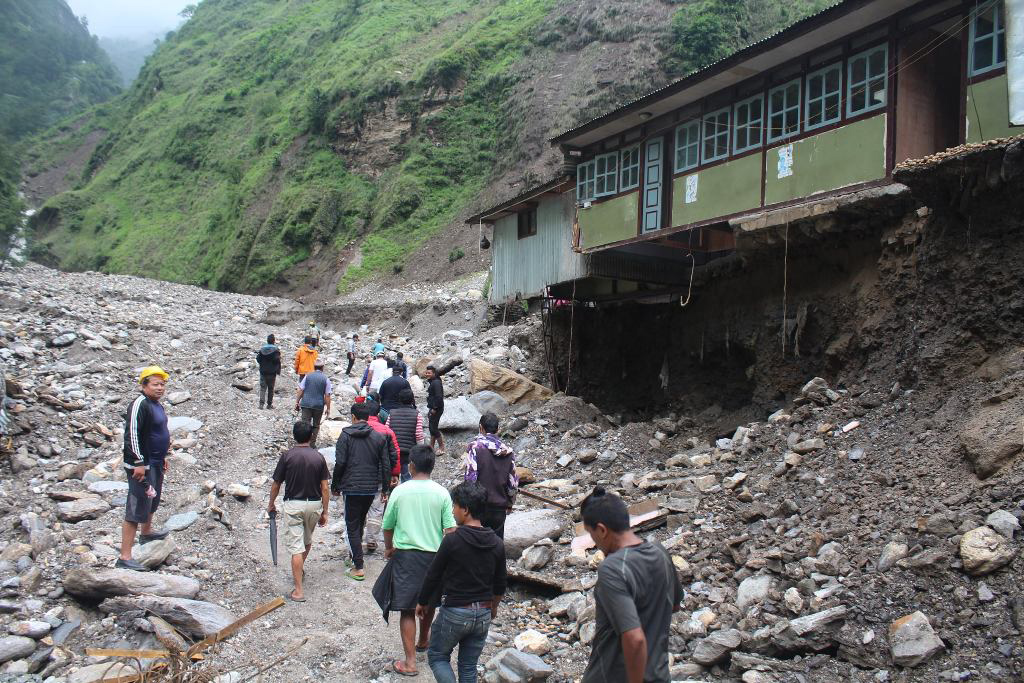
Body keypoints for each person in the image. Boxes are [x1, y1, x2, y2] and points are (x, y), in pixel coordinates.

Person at [581, 487, 683, 683]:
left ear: (602, 530)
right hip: (659, 675)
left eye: (590, 533)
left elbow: (634, 639)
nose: (593, 542)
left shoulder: (612, 568)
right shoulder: (659, 551)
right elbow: (675, 605)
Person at [419, 482, 506, 683]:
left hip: (456, 611)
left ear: (465, 510)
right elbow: (500, 583)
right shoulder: (497, 543)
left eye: (454, 505)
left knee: (438, 657)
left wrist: (423, 602)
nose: (452, 510)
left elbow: (433, 575)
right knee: (468, 666)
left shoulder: (452, 541)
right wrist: (493, 607)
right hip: (483, 612)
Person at [381, 445, 456, 677]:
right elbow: (451, 529)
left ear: (411, 465)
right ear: (432, 466)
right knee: (430, 602)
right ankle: (424, 640)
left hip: (406, 556)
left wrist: (389, 547)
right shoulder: (442, 493)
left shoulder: (400, 491)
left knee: (406, 609)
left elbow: (387, 526)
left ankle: (410, 662)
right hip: (434, 557)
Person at [267, 421, 329, 602]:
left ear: (294, 436)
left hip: (294, 504)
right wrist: (325, 511)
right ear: (311, 436)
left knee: (296, 547)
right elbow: (325, 487)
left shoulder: (287, 456)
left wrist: (271, 503)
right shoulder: (318, 457)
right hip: (314, 504)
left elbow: (276, 483)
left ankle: (299, 591)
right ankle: (299, 568)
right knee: (307, 540)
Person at [332, 402, 394, 581]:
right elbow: (385, 464)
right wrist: (386, 488)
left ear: (352, 417)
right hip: (370, 488)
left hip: (351, 488)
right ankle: (354, 556)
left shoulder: (345, 435)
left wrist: (335, 485)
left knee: (352, 524)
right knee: (359, 522)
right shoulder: (378, 437)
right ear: (368, 418)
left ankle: (358, 566)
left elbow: (340, 463)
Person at [118, 366, 172, 572]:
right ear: (144, 385)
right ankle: (125, 556)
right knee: (136, 506)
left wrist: (163, 456)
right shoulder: (140, 404)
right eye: (155, 384)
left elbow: (159, 431)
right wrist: (138, 462)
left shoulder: (156, 404)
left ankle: (147, 532)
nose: (160, 388)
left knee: (152, 499)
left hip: (156, 461)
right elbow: (132, 435)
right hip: (141, 465)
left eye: (162, 384)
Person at [463, 413, 518, 538]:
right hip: (499, 507)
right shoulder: (508, 451)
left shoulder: (475, 447)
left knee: (477, 545)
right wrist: (510, 503)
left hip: (479, 506)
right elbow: (513, 483)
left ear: (481, 428)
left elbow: (470, 478)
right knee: (496, 545)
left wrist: (467, 505)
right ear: (497, 429)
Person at [363, 396, 400, 555]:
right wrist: (394, 473)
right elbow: (395, 454)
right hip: (379, 475)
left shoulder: (355, 428)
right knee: (377, 509)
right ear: (378, 413)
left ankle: (356, 538)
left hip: (358, 475)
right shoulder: (386, 431)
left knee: (359, 507)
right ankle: (371, 540)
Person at [386, 389, 423, 482]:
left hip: (393, 449)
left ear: (399, 400)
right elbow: (419, 434)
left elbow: (386, 431)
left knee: (393, 473)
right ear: (412, 400)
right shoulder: (417, 414)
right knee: (406, 473)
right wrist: (420, 449)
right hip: (409, 450)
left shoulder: (392, 413)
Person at [295, 358, 332, 447]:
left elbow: (301, 390)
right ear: (322, 368)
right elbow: (327, 395)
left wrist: (297, 402)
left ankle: (303, 442)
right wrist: (328, 408)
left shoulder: (308, 376)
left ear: (314, 367)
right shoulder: (326, 379)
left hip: (306, 403)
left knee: (305, 424)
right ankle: (312, 444)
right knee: (316, 425)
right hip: (318, 405)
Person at [256, 334, 282, 409]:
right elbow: (277, 360)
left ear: (267, 341)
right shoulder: (276, 350)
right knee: (271, 388)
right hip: (272, 372)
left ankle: (261, 405)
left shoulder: (262, 349)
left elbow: (258, 359)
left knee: (263, 388)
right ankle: (269, 405)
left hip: (263, 371)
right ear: (274, 341)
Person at [425, 365, 446, 455]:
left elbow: (439, 397)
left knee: (433, 428)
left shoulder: (436, 383)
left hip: (436, 408)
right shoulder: (433, 381)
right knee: (431, 427)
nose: (427, 374)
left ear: (434, 373)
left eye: (429, 373)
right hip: (434, 407)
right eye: (426, 373)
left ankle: (442, 447)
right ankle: (431, 446)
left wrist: (434, 408)